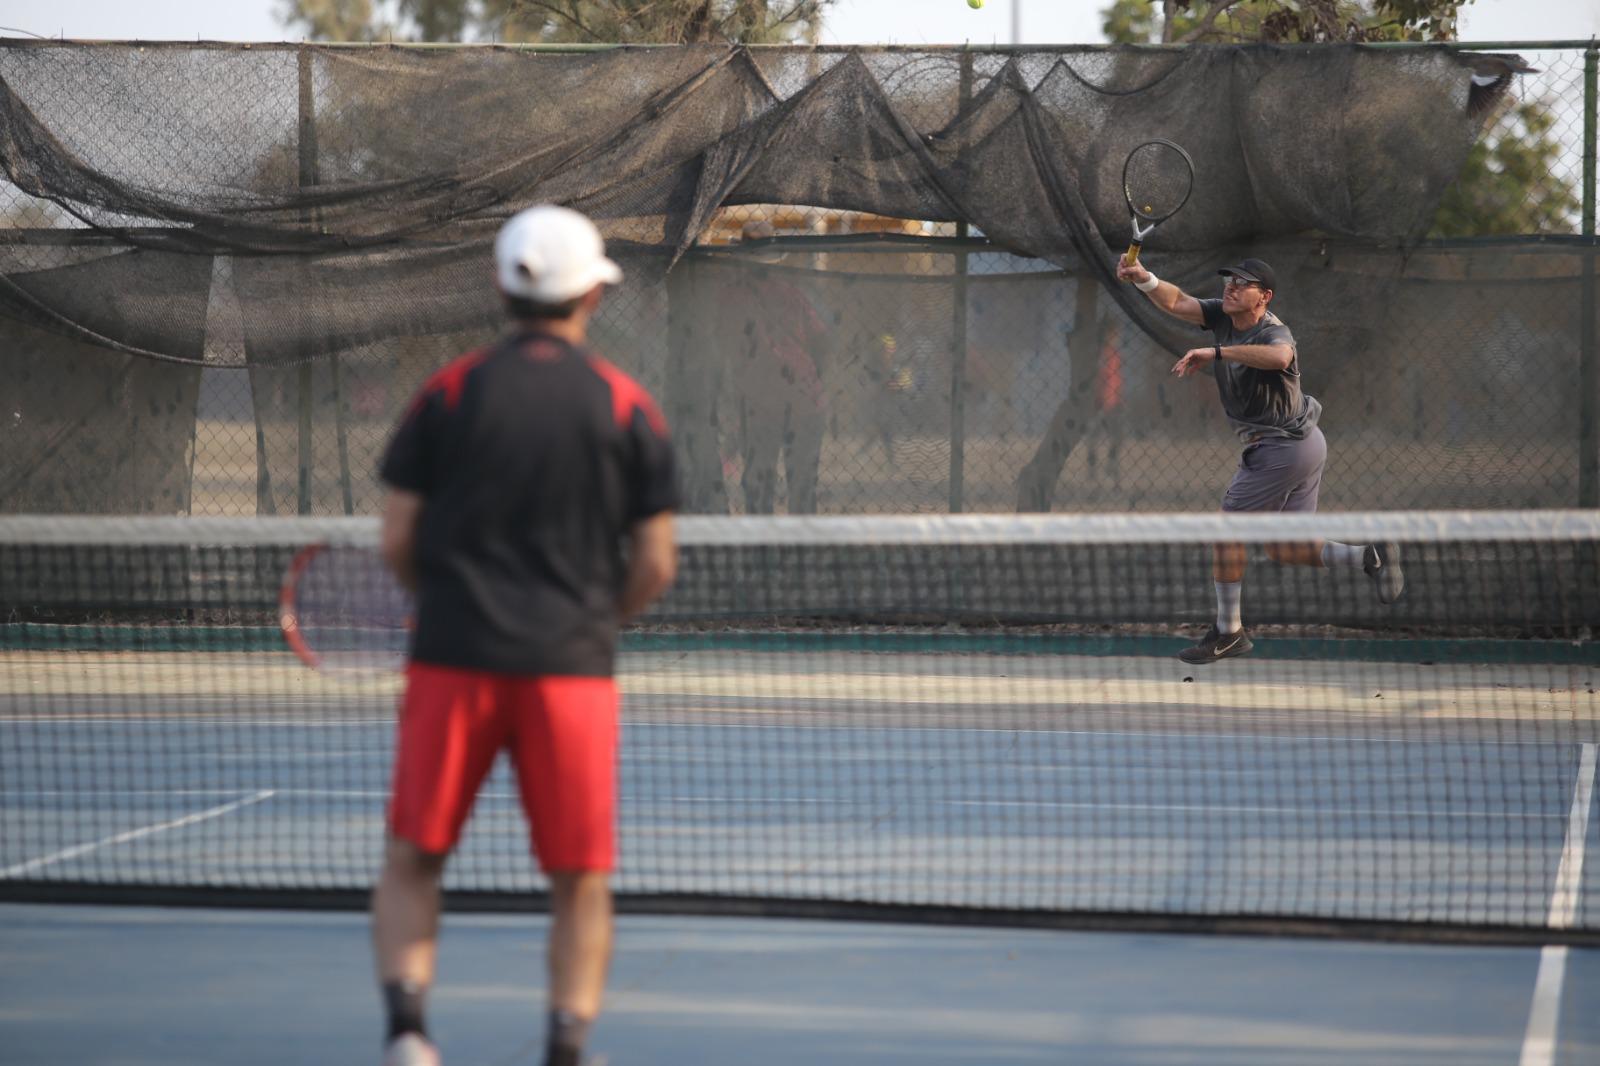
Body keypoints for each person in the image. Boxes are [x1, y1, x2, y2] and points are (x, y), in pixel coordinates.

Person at [372, 204, 679, 1066]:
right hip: (570, 673)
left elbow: (398, 538)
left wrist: (443, 607)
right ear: (591, 294)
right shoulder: (626, 405)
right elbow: (656, 561)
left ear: (502, 286)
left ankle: (407, 1035)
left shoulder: (448, 393)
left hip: (450, 663)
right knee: (579, 879)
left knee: (413, 858)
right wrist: (591, 620)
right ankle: (567, 1049)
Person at [1115, 256, 1403, 664]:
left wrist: (1217, 352)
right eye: (1230, 280)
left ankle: (1229, 632)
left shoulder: (1274, 331)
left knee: (1227, 530)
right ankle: (1368, 557)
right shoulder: (1222, 314)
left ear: (1264, 297)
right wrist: (1144, 278)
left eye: (1242, 284)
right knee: (1284, 547)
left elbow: (1280, 358)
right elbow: (1178, 302)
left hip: (1282, 448)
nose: (1231, 287)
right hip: (1303, 445)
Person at [726, 219, 830, 513]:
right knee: (803, 484)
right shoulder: (792, 293)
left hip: (760, 402)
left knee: (759, 483)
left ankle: (762, 554)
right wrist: (812, 375)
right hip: (805, 397)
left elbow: (726, 345)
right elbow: (822, 339)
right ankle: (800, 553)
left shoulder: (731, 296)